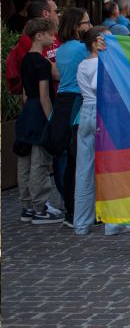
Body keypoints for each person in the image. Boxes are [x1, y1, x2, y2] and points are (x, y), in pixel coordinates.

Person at [73, 26, 129, 236]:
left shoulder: (83, 64)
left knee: (84, 169)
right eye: (108, 40)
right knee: (110, 167)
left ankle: (81, 222)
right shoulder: (101, 63)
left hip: (86, 113)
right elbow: (101, 88)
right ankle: (113, 222)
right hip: (103, 114)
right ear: (97, 42)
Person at [14, 18, 65, 225]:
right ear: (39, 36)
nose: (53, 38)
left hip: (28, 113)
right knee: (39, 162)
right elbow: (45, 96)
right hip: (39, 113)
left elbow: (25, 94)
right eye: (50, 34)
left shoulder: (26, 60)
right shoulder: (43, 63)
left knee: (24, 161)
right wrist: (52, 120)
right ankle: (40, 207)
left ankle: (27, 206)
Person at [50, 7, 93, 227]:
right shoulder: (81, 48)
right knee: (80, 159)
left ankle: (70, 209)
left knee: (68, 160)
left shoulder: (62, 49)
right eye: (87, 22)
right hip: (78, 101)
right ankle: (79, 210)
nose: (90, 26)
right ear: (77, 26)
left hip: (62, 101)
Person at [5, 0, 61, 94]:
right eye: (56, 11)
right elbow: (56, 74)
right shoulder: (29, 39)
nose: (59, 14)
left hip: (57, 95)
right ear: (45, 13)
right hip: (43, 98)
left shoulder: (54, 34)